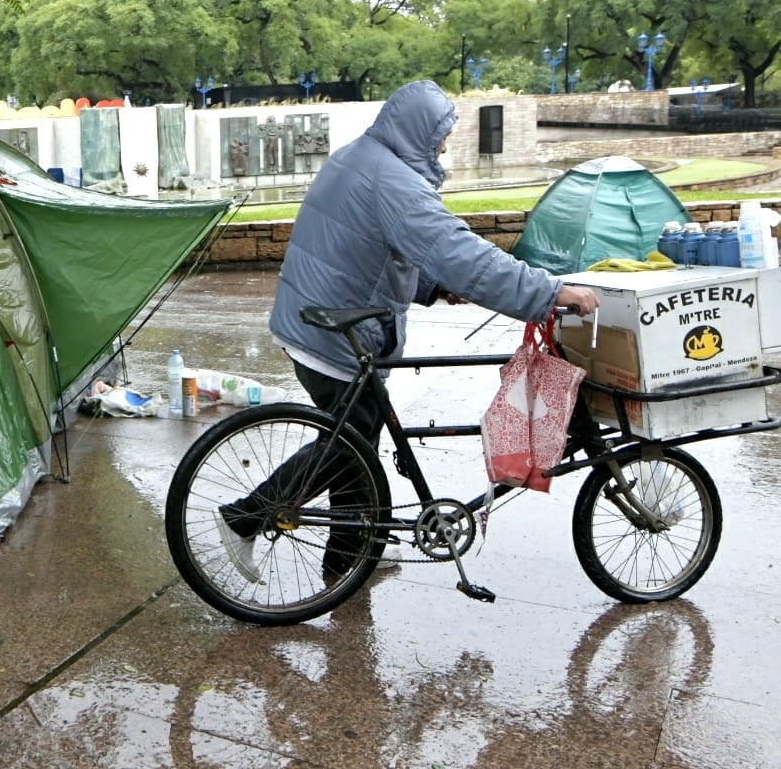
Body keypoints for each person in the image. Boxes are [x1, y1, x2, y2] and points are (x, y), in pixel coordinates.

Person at [214, 79, 600, 583]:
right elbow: (457, 250)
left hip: (319, 317)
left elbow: (372, 248)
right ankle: (246, 517)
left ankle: (352, 554)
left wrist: (434, 287)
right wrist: (549, 294)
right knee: (347, 445)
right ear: (418, 131)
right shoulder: (392, 180)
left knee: (358, 443)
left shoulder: (364, 156)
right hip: (333, 334)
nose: (444, 145)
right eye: (441, 135)